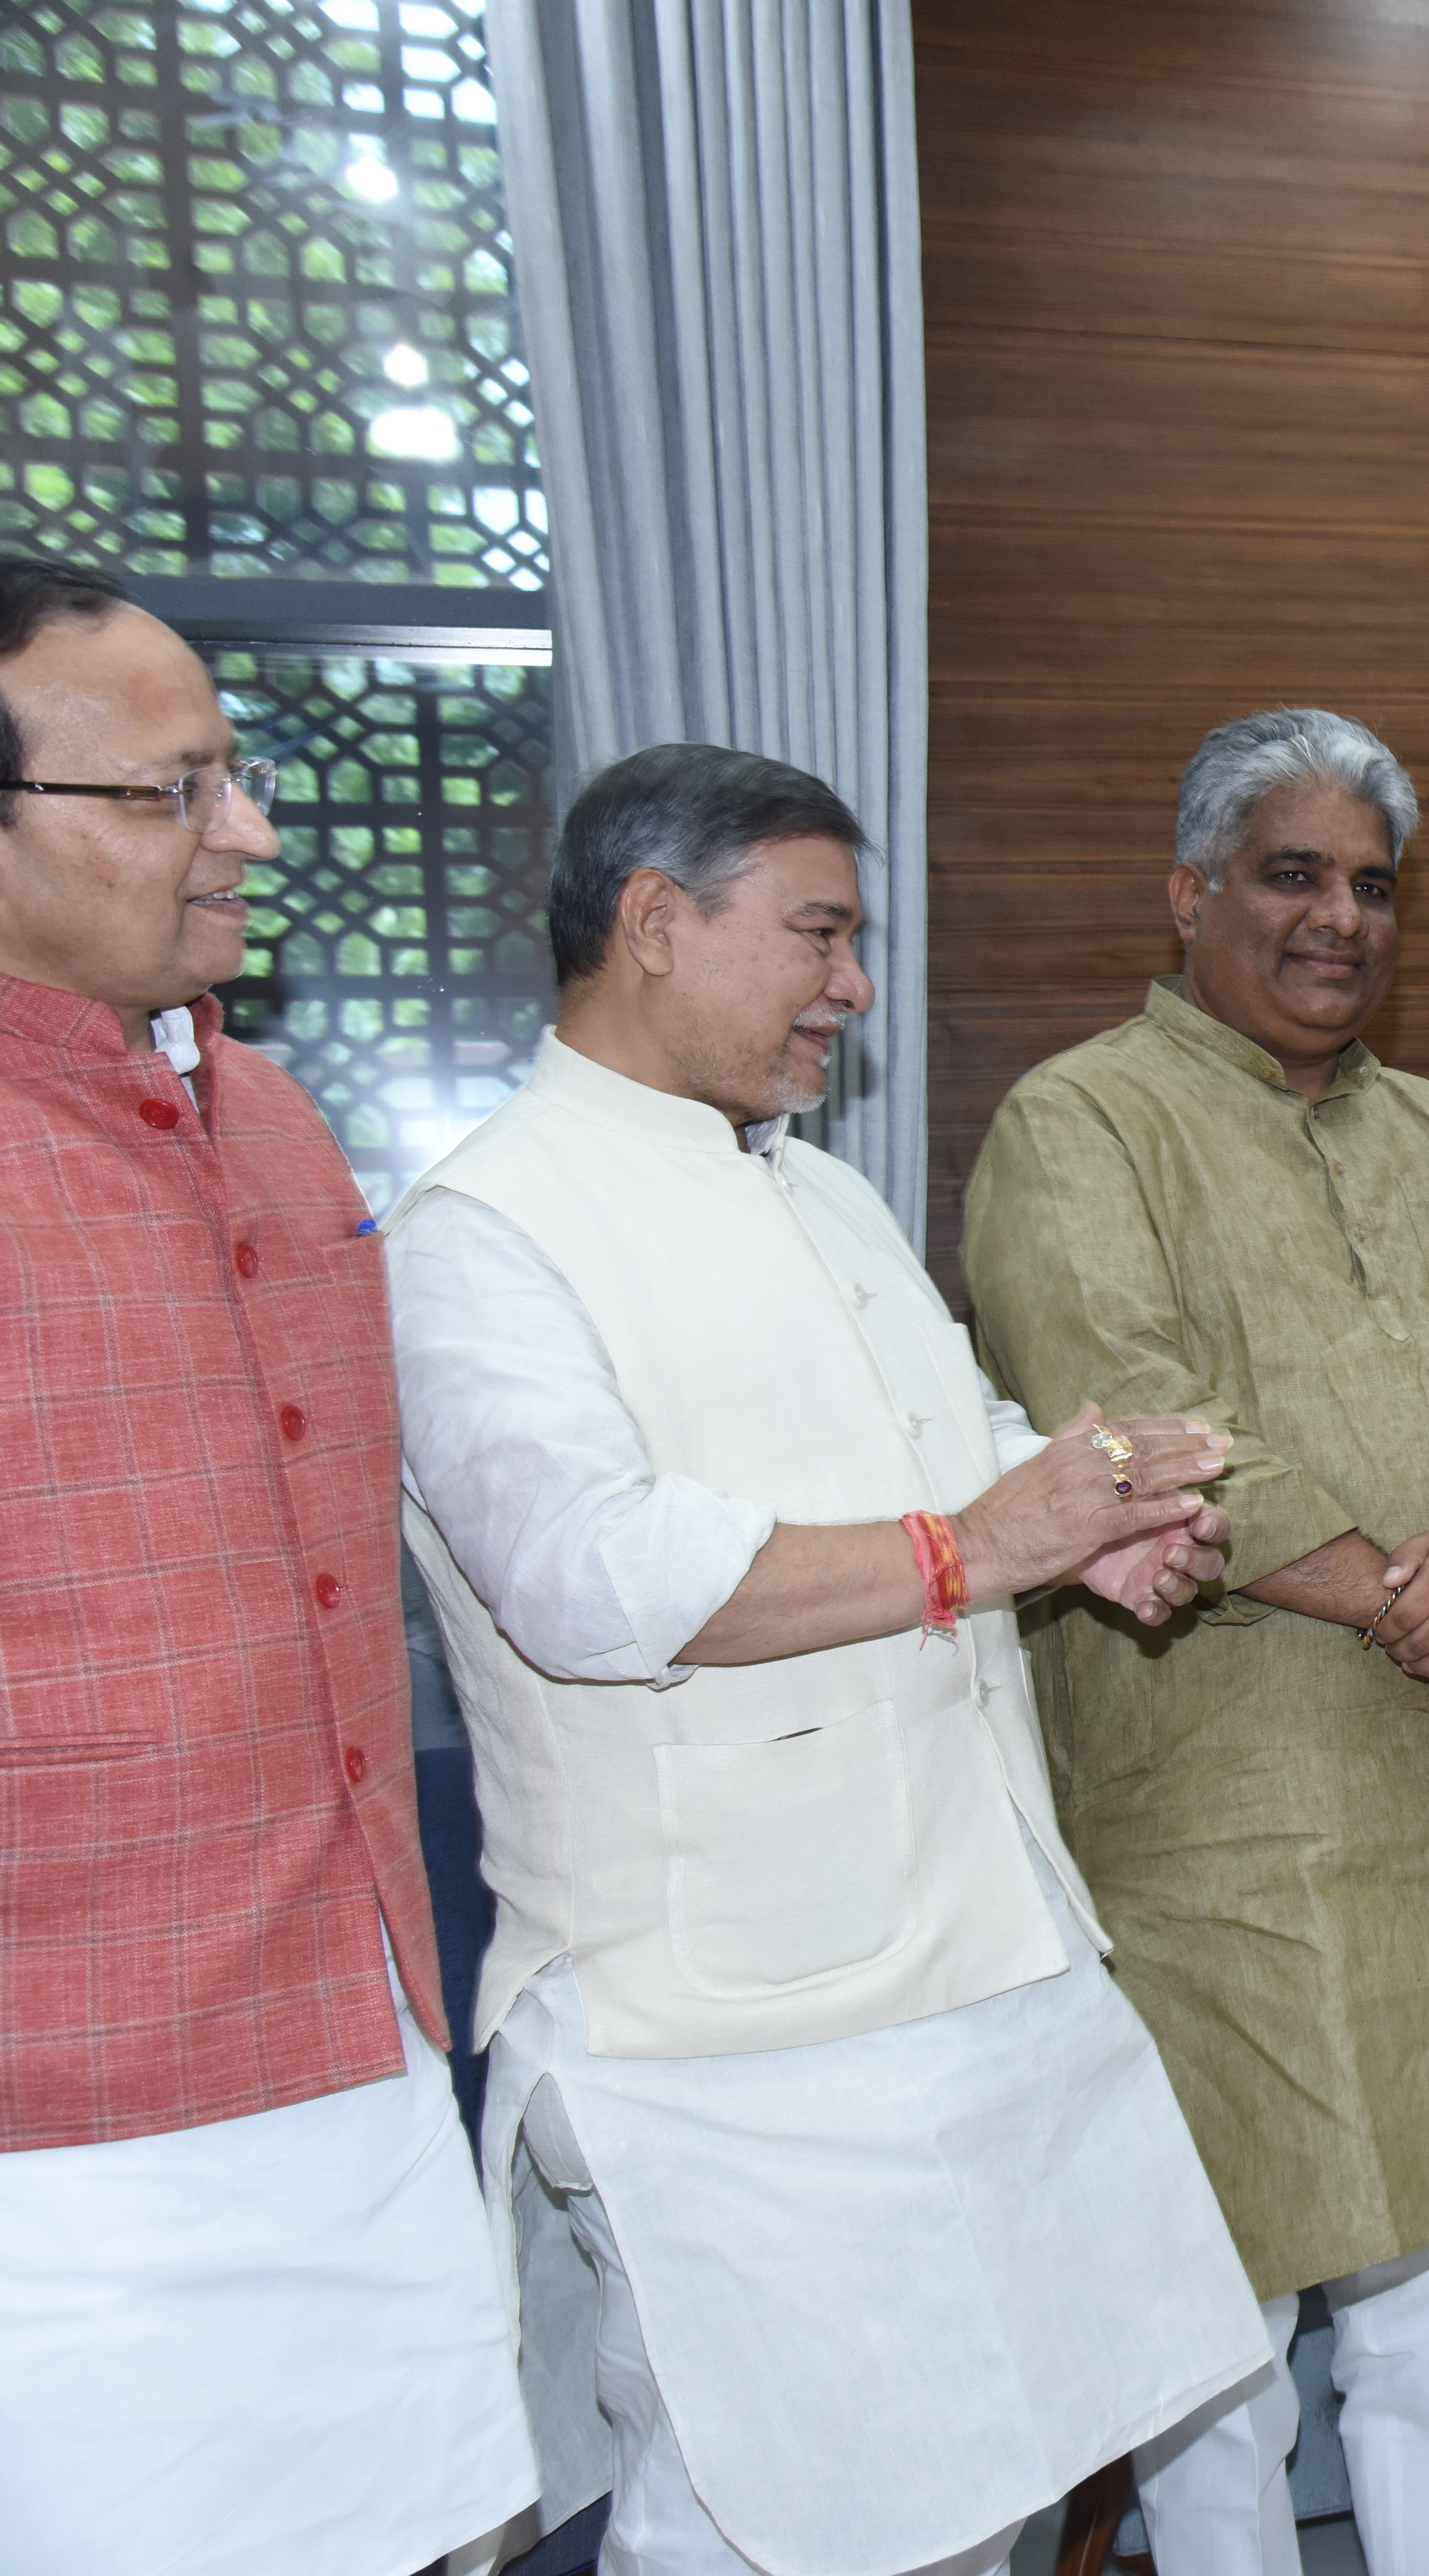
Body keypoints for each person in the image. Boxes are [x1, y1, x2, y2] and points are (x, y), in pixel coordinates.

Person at [385, 742, 1268, 2576]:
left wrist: (1087, 1527)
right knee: (767, 2524)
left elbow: (946, 1450)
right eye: (819, 934)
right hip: (724, 2028)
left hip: (985, 1946)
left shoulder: (821, 1193)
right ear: (651, 924)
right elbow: (589, 1576)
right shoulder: (483, 1233)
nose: (853, 986)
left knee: (988, 2493)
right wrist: (980, 1547)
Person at [962, 707, 1429, 2576]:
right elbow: (1129, 1417)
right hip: (1225, 1813)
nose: (1341, 918)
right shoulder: (1078, 1120)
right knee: (1227, 2311)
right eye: (1292, 874)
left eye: (1372, 885)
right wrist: (1414, 1600)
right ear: (1190, 894)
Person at [0, 555, 538, 2576]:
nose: (249, 830)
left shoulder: (278, 1120)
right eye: (172, 792)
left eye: (237, 777)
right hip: (67, 2111)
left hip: (364, 2012)